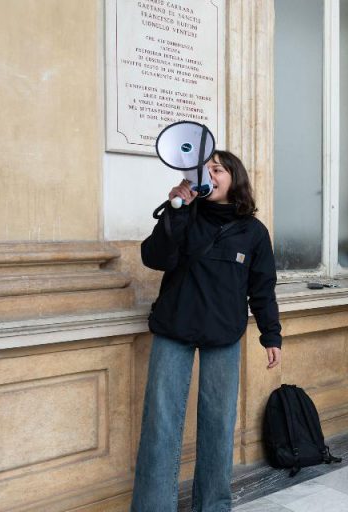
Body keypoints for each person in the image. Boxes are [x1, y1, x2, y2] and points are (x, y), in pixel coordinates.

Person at [133, 151, 282, 512]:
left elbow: (262, 287)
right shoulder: (185, 215)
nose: (210, 175)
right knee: (161, 424)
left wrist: (271, 334)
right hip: (174, 329)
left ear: (235, 179)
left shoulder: (253, 232)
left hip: (223, 335)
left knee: (218, 426)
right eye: (206, 169)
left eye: (218, 169)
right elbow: (155, 258)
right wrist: (176, 210)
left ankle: (213, 506)